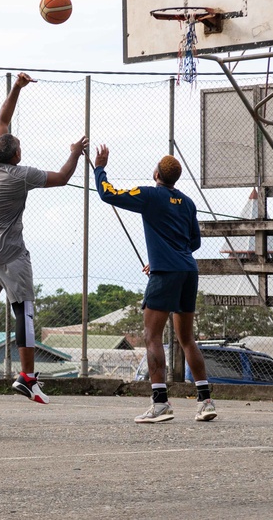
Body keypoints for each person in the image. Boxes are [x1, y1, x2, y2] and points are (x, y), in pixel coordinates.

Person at [0, 72, 87, 404]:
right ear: (15, 155)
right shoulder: (19, 174)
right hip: (8, 255)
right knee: (23, 309)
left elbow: (2, 118)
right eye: (20, 147)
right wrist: (75, 152)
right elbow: (64, 178)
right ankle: (27, 378)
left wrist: (16, 89)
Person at [92, 145, 216, 423]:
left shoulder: (149, 195)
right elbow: (194, 242)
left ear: (156, 173)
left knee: (152, 336)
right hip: (188, 271)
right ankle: (205, 401)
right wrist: (166, 254)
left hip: (166, 273)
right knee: (186, 339)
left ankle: (160, 404)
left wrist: (99, 168)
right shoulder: (187, 203)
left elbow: (107, 193)